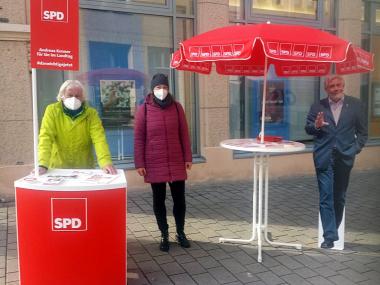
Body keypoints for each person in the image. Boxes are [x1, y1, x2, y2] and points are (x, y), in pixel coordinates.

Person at [305, 75, 368, 249]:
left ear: (343, 85)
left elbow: (363, 133)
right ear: (326, 89)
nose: (336, 88)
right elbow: (308, 128)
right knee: (326, 196)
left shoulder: (356, 105)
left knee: (339, 197)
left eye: (338, 85)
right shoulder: (317, 106)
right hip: (324, 156)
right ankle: (329, 236)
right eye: (332, 86)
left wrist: (354, 149)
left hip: (345, 157)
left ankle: (334, 228)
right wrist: (316, 125)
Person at [134, 73, 192, 252]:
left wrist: (188, 157)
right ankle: (164, 234)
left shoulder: (177, 108)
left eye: (165, 87)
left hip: (175, 160)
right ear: (153, 89)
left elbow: (184, 134)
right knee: (158, 200)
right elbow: (139, 138)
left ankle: (180, 233)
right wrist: (139, 163)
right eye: (158, 88)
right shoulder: (144, 110)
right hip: (154, 162)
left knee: (179, 200)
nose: (162, 91)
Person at [37, 80, 117, 175]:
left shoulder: (91, 114)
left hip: (83, 167)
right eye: (70, 95)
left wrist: (105, 162)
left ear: (83, 98)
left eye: (77, 95)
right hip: (58, 166)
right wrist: (42, 164)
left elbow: (99, 139)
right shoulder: (52, 111)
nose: (74, 99)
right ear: (62, 96)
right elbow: (46, 137)